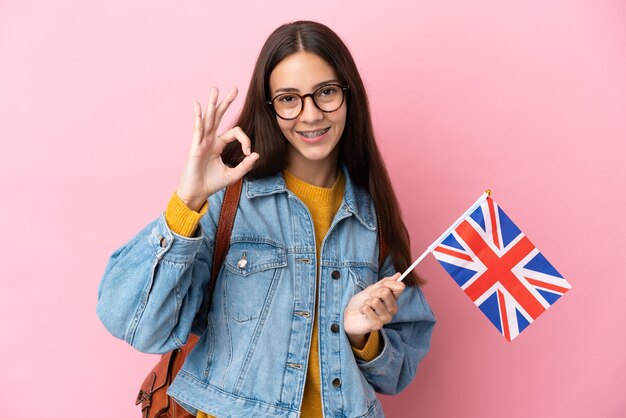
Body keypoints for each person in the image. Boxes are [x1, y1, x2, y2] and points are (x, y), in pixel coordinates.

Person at [97, 20, 435, 418]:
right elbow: (133, 323)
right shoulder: (228, 202)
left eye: (326, 92)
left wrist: (363, 337)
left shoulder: (372, 217)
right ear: (269, 107)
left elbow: (398, 372)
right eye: (289, 98)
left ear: (348, 97)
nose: (310, 115)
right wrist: (187, 199)